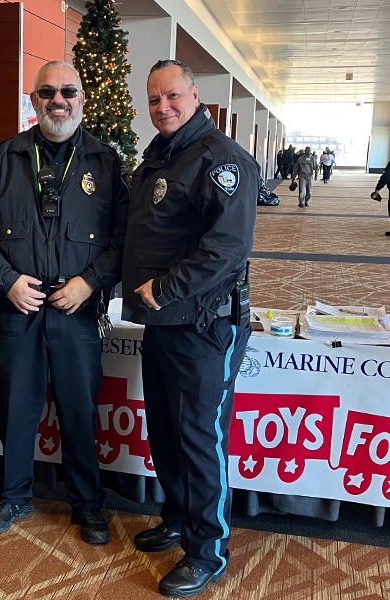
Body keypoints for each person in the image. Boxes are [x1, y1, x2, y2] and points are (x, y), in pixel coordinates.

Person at [0, 60, 129, 545]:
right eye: (47, 92)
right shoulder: (6, 155)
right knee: (15, 407)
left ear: (82, 99)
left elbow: (125, 235)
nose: (59, 100)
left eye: (68, 92)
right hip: (19, 307)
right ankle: (12, 497)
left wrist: (90, 282)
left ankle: (87, 504)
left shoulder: (107, 161)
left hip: (77, 311)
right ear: (34, 100)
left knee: (79, 409)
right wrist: (7, 280)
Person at [121, 59, 256, 599]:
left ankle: (208, 550)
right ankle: (176, 518)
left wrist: (163, 290)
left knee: (200, 438)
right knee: (166, 430)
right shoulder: (161, 156)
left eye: (172, 96)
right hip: (163, 324)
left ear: (195, 95)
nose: (163, 107)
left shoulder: (222, 160)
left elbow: (227, 248)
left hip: (204, 325)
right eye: (154, 100)